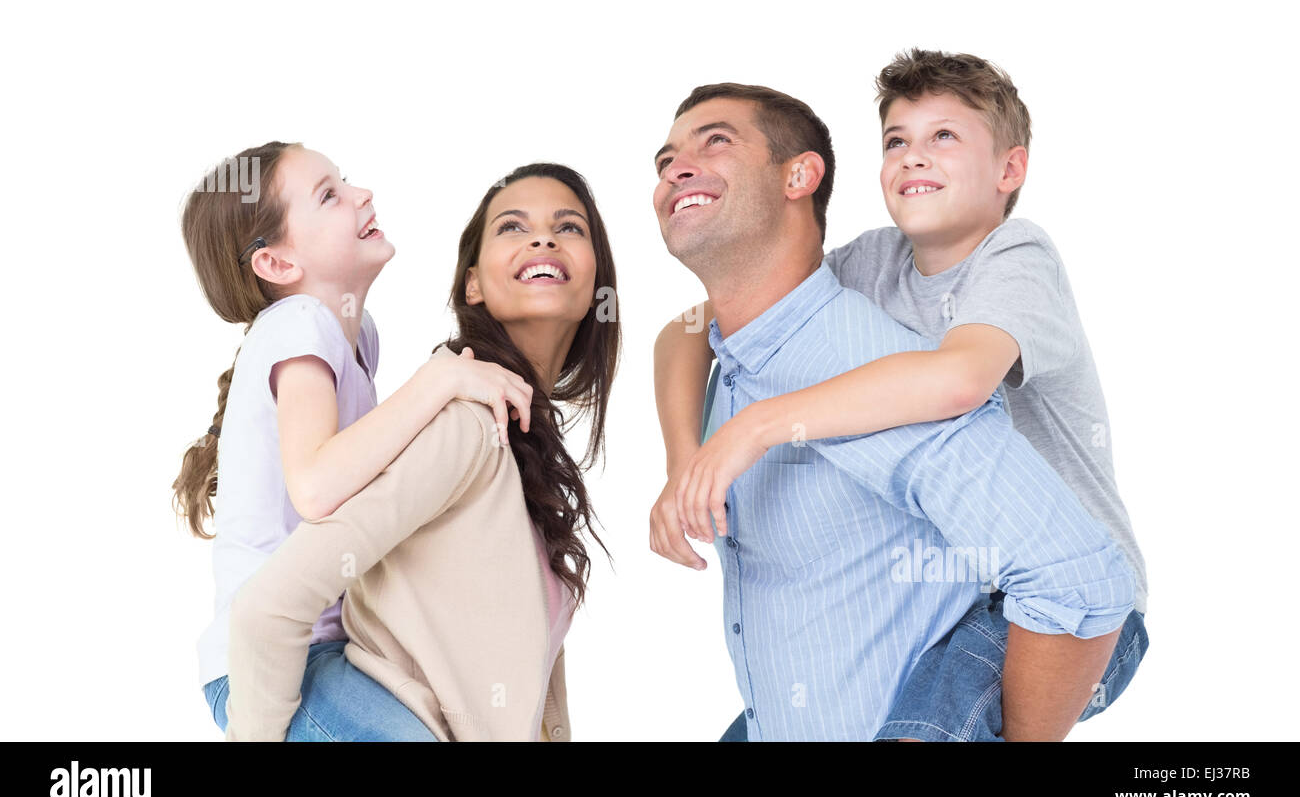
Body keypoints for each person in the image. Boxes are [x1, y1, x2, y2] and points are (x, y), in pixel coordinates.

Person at [649, 82, 1136, 741]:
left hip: (1071, 596)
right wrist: (686, 458)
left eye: (944, 137)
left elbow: (959, 381)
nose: (913, 157)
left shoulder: (1017, 259)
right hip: (979, 573)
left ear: (1010, 169)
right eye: (896, 141)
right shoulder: (872, 266)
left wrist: (757, 426)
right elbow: (692, 328)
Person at [221, 162, 619, 741]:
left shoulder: (520, 445)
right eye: (512, 227)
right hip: (300, 680)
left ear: (596, 283)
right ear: (472, 285)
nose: (543, 238)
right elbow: (268, 609)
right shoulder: (463, 422)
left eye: (570, 228)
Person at [176, 142, 538, 740]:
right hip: (268, 666)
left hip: (333, 647)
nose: (360, 195)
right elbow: (317, 486)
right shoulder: (300, 323)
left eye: (343, 182)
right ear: (277, 264)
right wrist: (438, 380)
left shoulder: (355, 335)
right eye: (329, 195)